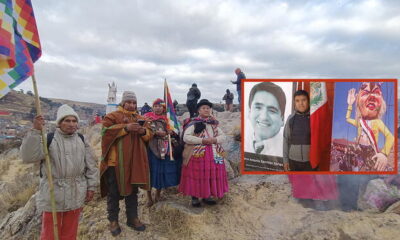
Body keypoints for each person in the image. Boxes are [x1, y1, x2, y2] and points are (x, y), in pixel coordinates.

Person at [20, 104, 98, 240]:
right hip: (53, 194)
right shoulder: (49, 139)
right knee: (49, 234)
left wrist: (91, 187)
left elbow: (91, 165)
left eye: (74, 121)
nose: (71, 124)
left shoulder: (82, 139)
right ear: (59, 123)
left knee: (70, 233)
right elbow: (28, 157)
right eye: (67, 120)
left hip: (76, 192)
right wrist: (35, 131)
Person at [100, 91, 153, 236]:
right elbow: (105, 132)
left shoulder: (140, 117)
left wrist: (143, 131)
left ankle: (132, 218)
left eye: (134, 102)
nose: (131, 105)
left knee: (133, 191)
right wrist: (125, 129)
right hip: (115, 162)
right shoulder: (112, 116)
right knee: (113, 192)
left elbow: (150, 134)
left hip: (134, 161)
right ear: (123, 103)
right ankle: (113, 220)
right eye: (128, 102)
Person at [179, 99, 229, 207]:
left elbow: (223, 136)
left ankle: (207, 195)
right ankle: (195, 197)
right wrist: (202, 141)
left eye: (208, 108)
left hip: (213, 153)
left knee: (210, 175)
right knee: (197, 175)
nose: (206, 110)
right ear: (199, 110)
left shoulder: (213, 124)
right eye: (203, 108)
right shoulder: (193, 123)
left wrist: (214, 140)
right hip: (197, 155)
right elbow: (186, 137)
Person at [346, 82, 394, 171]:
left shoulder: (378, 122)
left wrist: (384, 154)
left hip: (371, 151)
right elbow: (348, 119)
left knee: (373, 168)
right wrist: (350, 104)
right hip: (359, 149)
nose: (372, 97)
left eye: (376, 93)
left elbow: (390, 137)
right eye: (365, 93)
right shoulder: (360, 122)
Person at [144, 98, 182, 207]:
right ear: (152, 107)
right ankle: (149, 198)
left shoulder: (167, 119)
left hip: (164, 149)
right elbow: (143, 130)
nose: (158, 108)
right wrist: (155, 133)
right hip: (150, 149)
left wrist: (170, 132)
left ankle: (158, 194)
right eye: (155, 106)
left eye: (160, 106)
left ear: (163, 108)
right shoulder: (147, 118)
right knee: (150, 173)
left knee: (160, 172)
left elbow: (175, 131)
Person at [245, 82, 286, 156]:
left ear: (282, 119)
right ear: (249, 112)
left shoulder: (287, 150)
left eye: (272, 111)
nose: (263, 117)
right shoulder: (244, 142)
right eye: (258, 107)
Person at [283, 90, 312, 171]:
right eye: (297, 101)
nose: (301, 103)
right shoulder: (291, 118)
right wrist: (285, 160)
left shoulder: (314, 118)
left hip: (310, 162)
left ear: (308, 101)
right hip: (293, 161)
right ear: (294, 103)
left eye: (304, 100)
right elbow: (286, 139)